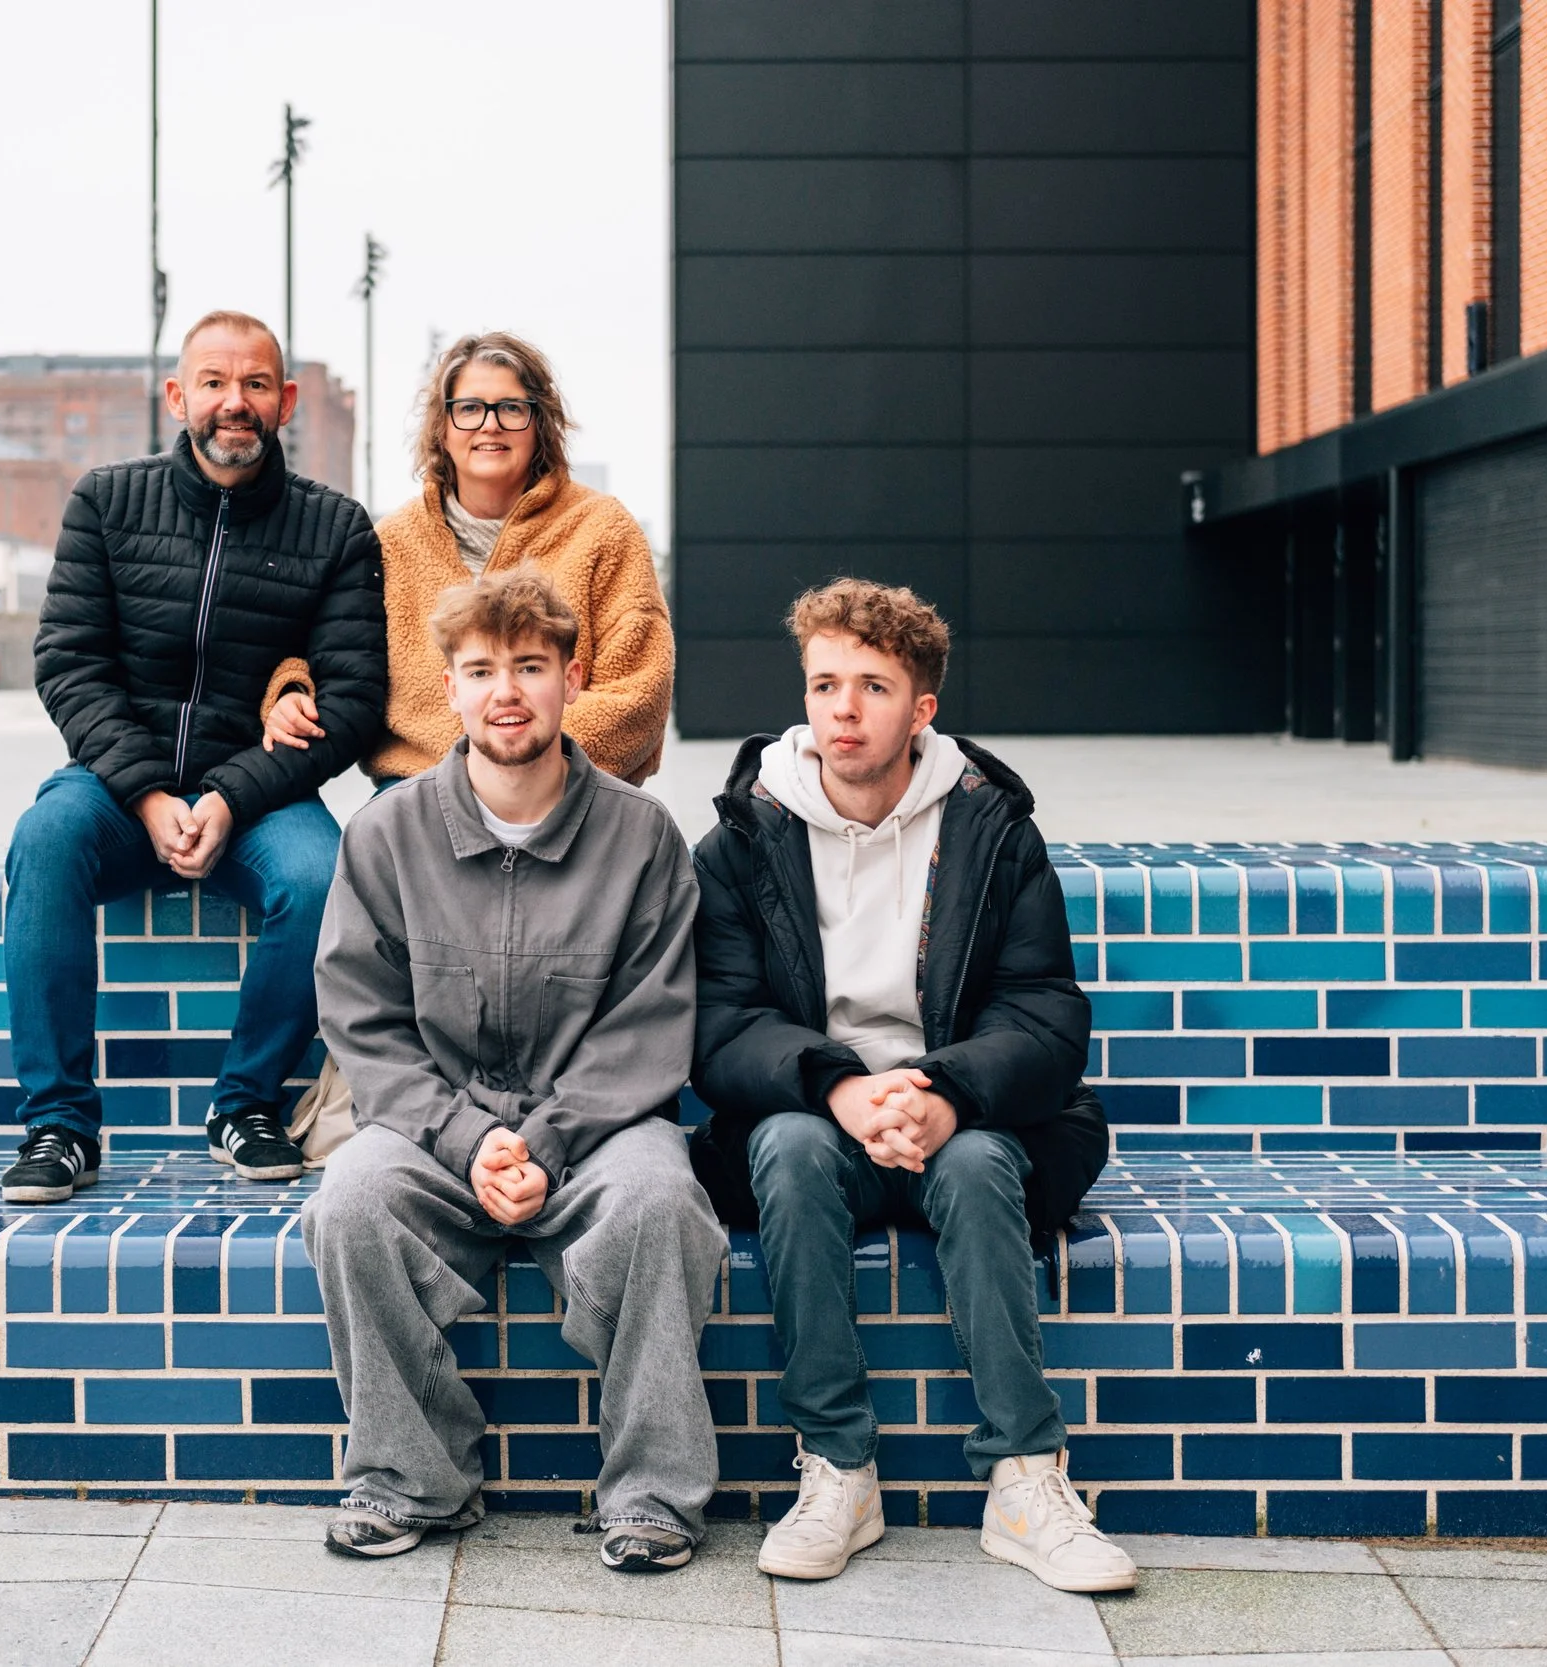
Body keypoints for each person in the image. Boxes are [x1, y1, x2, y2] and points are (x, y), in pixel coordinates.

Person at [686, 579, 1130, 1593]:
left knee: (977, 1166)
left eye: (872, 686)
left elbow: (1044, 1016)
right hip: (817, 1116)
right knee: (786, 1150)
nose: (843, 708)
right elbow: (720, 1026)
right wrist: (838, 1087)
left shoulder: (992, 833)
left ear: (920, 709)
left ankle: (1025, 1476)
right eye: (825, 683)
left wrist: (942, 1091)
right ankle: (838, 1467)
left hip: (962, 1114)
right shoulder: (742, 839)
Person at [301, 568, 722, 1572]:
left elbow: (653, 1020)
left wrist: (541, 1140)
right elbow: (360, 1013)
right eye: (482, 668)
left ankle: (652, 1492)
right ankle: (412, 1476)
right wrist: (465, 1136)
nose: (506, 690)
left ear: (571, 677)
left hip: (600, 1130)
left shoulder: (639, 834)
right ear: (447, 687)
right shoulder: (387, 830)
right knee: (349, 1200)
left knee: (663, 1203)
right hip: (435, 1127)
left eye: (529, 666)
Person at [0, 310, 388, 1204]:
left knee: (325, 872)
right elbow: (68, 665)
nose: (233, 403)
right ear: (178, 396)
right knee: (45, 841)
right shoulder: (105, 500)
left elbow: (354, 699)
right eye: (213, 382)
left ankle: (243, 1102)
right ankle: (59, 1123)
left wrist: (225, 796)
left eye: (255, 384)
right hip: (114, 786)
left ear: (284, 401)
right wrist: (144, 796)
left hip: (258, 798)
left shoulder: (335, 529)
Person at [259, 331, 671, 785]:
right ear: (443, 428)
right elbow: (326, 651)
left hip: (574, 786)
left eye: (512, 408)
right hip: (420, 790)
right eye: (470, 409)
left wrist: (512, 763)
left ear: (540, 425)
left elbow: (640, 693)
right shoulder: (391, 542)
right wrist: (293, 690)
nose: (489, 424)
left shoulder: (603, 529)